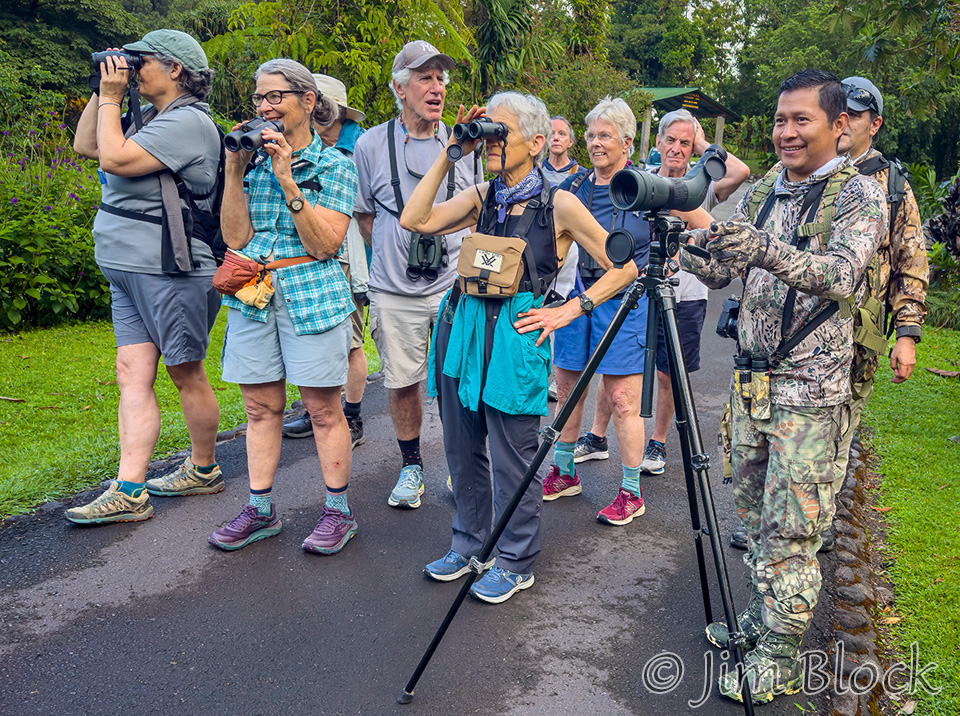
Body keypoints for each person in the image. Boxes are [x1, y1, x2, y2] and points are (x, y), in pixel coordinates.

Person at [680, 69, 887, 703]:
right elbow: (723, 272)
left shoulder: (860, 193)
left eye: (802, 120)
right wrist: (687, 245)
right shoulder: (768, 187)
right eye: (779, 120)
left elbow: (844, 276)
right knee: (753, 517)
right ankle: (761, 618)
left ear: (838, 125)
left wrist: (763, 248)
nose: (786, 132)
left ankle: (781, 654)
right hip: (753, 384)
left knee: (792, 530)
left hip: (811, 393)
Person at [401, 92, 637, 603]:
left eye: (499, 131)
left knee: (514, 458)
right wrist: (451, 152)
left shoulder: (560, 204)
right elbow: (414, 219)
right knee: (462, 451)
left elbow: (625, 267)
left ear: (535, 143)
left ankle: (514, 559)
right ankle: (470, 544)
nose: (490, 139)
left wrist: (571, 309)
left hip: (516, 338)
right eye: (486, 129)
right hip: (463, 330)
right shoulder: (482, 196)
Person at [726, 76, 929, 553]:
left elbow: (910, 261)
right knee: (763, 449)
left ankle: (811, 522)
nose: (848, 123)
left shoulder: (885, 185)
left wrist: (907, 332)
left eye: (857, 116)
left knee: (832, 438)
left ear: (870, 124)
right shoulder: (782, 180)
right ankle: (780, 525)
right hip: (774, 352)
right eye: (783, 120)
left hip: (852, 335)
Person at [66, 30, 223, 525]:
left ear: (175, 69)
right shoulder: (150, 116)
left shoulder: (188, 122)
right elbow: (87, 145)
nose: (132, 69)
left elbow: (115, 159)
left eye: (141, 61)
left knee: (185, 372)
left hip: (170, 268)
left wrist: (114, 95)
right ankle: (129, 490)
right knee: (131, 373)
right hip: (127, 268)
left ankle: (203, 469)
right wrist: (102, 91)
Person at [208, 59, 360, 556]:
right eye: (259, 98)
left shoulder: (334, 165)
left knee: (322, 409)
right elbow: (235, 238)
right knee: (259, 408)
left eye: (276, 96)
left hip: (312, 293)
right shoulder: (249, 163)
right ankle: (260, 509)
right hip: (254, 294)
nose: (265, 107)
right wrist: (234, 171)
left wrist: (288, 179)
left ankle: (338, 512)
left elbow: (325, 245)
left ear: (308, 101)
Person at [353, 40, 482, 509]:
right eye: (425, 77)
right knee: (401, 380)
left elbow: (478, 211)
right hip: (393, 287)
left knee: (458, 378)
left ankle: (460, 465)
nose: (437, 87)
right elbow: (365, 215)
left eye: (441, 78)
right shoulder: (369, 144)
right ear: (399, 88)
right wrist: (395, 252)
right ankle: (411, 467)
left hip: (454, 286)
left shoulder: (465, 143)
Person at [542, 97, 651, 527]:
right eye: (590, 135)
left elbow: (696, 222)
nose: (595, 143)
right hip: (578, 292)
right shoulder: (575, 186)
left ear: (626, 141)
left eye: (605, 135)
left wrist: (673, 258)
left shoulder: (645, 187)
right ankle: (564, 471)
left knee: (622, 399)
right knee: (567, 387)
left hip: (625, 299)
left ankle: (631, 492)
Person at [282, 73, 369, 449]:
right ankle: (317, 409)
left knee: (350, 340)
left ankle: (352, 416)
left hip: (347, 255)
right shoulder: (301, 148)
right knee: (319, 341)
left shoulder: (355, 151)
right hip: (307, 256)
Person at [541, 116, 580, 185]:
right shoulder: (534, 172)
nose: (556, 138)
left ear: (570, 142)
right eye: (551, 133)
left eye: (562, 133)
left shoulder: (582, 175)